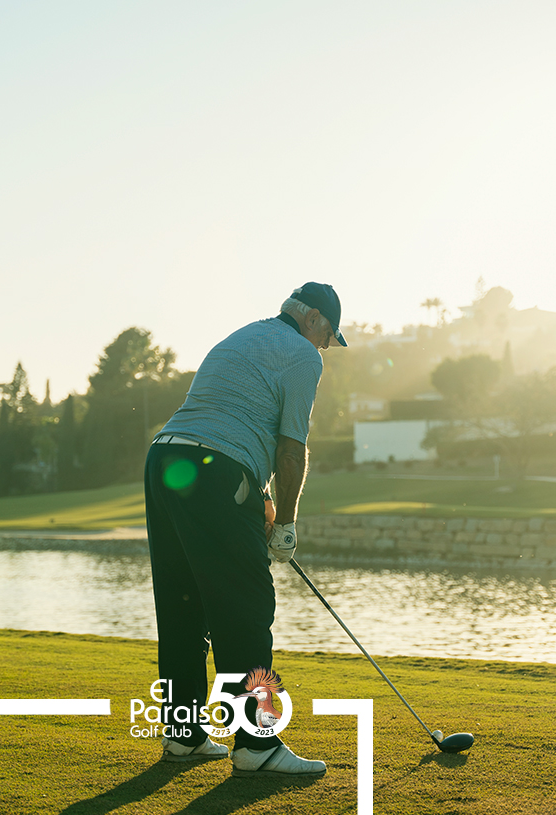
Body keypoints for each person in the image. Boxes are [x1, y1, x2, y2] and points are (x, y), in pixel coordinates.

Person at [144, 282, 346, 778]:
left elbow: (229, 420)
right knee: (247, 607)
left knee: (183, 605)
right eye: (328, 336)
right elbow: (290, 447)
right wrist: (289, 526)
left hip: (166, 458)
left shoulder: (241, 336)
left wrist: (258, 497)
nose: (325, 347)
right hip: (215, 469)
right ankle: (258, 746)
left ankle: (184, 738)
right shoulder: (303, 355)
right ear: (315, 320)